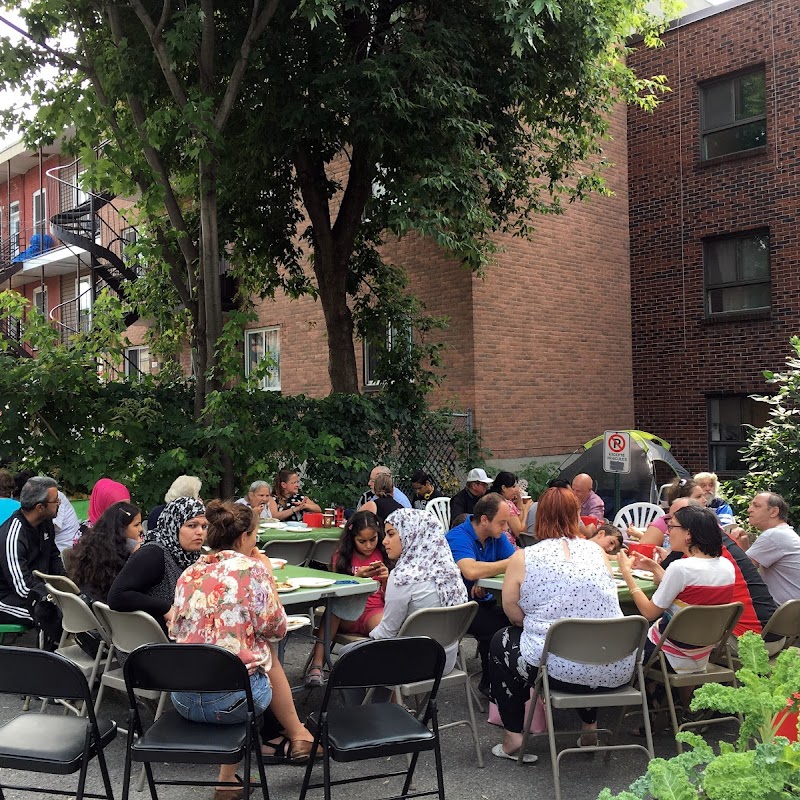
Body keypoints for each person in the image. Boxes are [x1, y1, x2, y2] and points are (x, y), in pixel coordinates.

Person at [170, 500, 317, 797]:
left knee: (235, 658)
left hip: (183, 698)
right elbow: (277, 629)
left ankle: (229, 780)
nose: (256, 543)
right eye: (255, 537)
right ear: (242, 539)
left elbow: (175, 631)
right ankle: (297, 734)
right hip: (234, 701)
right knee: (262, 655)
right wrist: (267, 576)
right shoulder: (251, 569)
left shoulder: (188, 573)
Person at [489, 486, 634, 762]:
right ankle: (589, 728)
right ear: (577, 516)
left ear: (539, 515)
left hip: (559, 671)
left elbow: (513, 613)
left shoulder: (524, 557)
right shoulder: (598, 553)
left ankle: (514, 736)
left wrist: (535, 621)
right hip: (615, 668)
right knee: (589, 642)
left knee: (503, 641)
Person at [639, 497, 778, 654]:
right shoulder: (719, 547)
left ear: (690, 530)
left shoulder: (696, 555)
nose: (666, 530)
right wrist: (657, 568)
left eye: (672, 524)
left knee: (663, 627)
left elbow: (659, 601)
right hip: (774, 633)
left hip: (751, 642)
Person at [619, 504, 735, 673]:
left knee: (622, 635)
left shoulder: (680, 567)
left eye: (672, 526)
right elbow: (686, 591)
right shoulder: (726, 566)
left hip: (666, 653)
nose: (667, 532)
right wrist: (654, 567)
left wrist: (626, 573)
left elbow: (649, 612)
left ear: (688, 534)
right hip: (701, 652)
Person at [373, 508, 468, 671]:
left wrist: (365, 634)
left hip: (409, 664)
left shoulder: (403, 577)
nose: (384, 541)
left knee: (349, 654)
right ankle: (385, 696)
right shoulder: (451, 573)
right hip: (446, 663)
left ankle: (378, 697)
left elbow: (386, 633)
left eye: (391, 534)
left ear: (411, 534)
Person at [305, 510, 390, 686]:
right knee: (333, 611)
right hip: (347, 612)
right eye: (362, 541)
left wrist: (386, 579)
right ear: (352, 538)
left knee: (387, 626)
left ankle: (384, 679)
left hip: (373, 610)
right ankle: (317, 664)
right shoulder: (342, 557)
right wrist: (357, 578)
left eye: (372, 539)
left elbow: (390, 597)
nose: (368, 545)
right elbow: (335, 592)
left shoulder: (384, 553)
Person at [446, 492, 514, 695]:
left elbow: (519, 564)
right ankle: (491, 683)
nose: (505, 529)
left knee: (515, 620)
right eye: (502, 523)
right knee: (498, 626)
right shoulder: (457, 536)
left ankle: (499, 680)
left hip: (482, 600)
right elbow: (470, 570)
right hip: (458, 606)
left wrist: (487, 575)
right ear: (484, 520)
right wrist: (505, 565)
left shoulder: (496, 536)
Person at [108, 497, 207, 632]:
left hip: (181, 635)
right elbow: (117, 596)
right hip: (150, 643)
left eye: (204, 526)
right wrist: (165, 608)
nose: (200, 532)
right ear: (174, 525)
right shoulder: (154, 553)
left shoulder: (192, 556)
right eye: (192, 525)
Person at [0, 476, 65, 630]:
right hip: (6, 598)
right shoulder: (14, 536)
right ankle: (52, 653)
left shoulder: (45, 523)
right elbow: (22, 587)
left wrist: (66, 584)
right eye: (55, 500)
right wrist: (52, 597)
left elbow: (53, 556)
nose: (59, 503)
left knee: (77, 607)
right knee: (54, 617)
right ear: (39, 507)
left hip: (35, 591)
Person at [729, 492, 800, 605]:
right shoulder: (783, 533)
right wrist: (743, 547)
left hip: (783, 615)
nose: (749, 510)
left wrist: (730, 543)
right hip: (791, 612)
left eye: (756, 506)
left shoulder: (773, 535)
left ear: (774, 512)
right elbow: (749, 568)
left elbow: (740, 572)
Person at [68, 502, 142, 603]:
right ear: (121, 528)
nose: (141, 529)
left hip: (93, 609)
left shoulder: (92, 545)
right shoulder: (121, 556)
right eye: (136, 525)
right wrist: (138, 552)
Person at [634, 477, 707, 548]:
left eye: (704, 495)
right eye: (698, 497)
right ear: (681, 500)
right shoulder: (662, 524)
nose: (704, 500)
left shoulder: (707, 520)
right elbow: (642, 553)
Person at [488, 471, 532, 544]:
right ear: (504, 488)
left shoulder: (490, 499)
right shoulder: (507, 505)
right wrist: (526, 511)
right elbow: (520, 533)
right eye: (513, 487)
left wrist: (519, 504)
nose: (516, 490)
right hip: (507, 546)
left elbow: (517, 522)